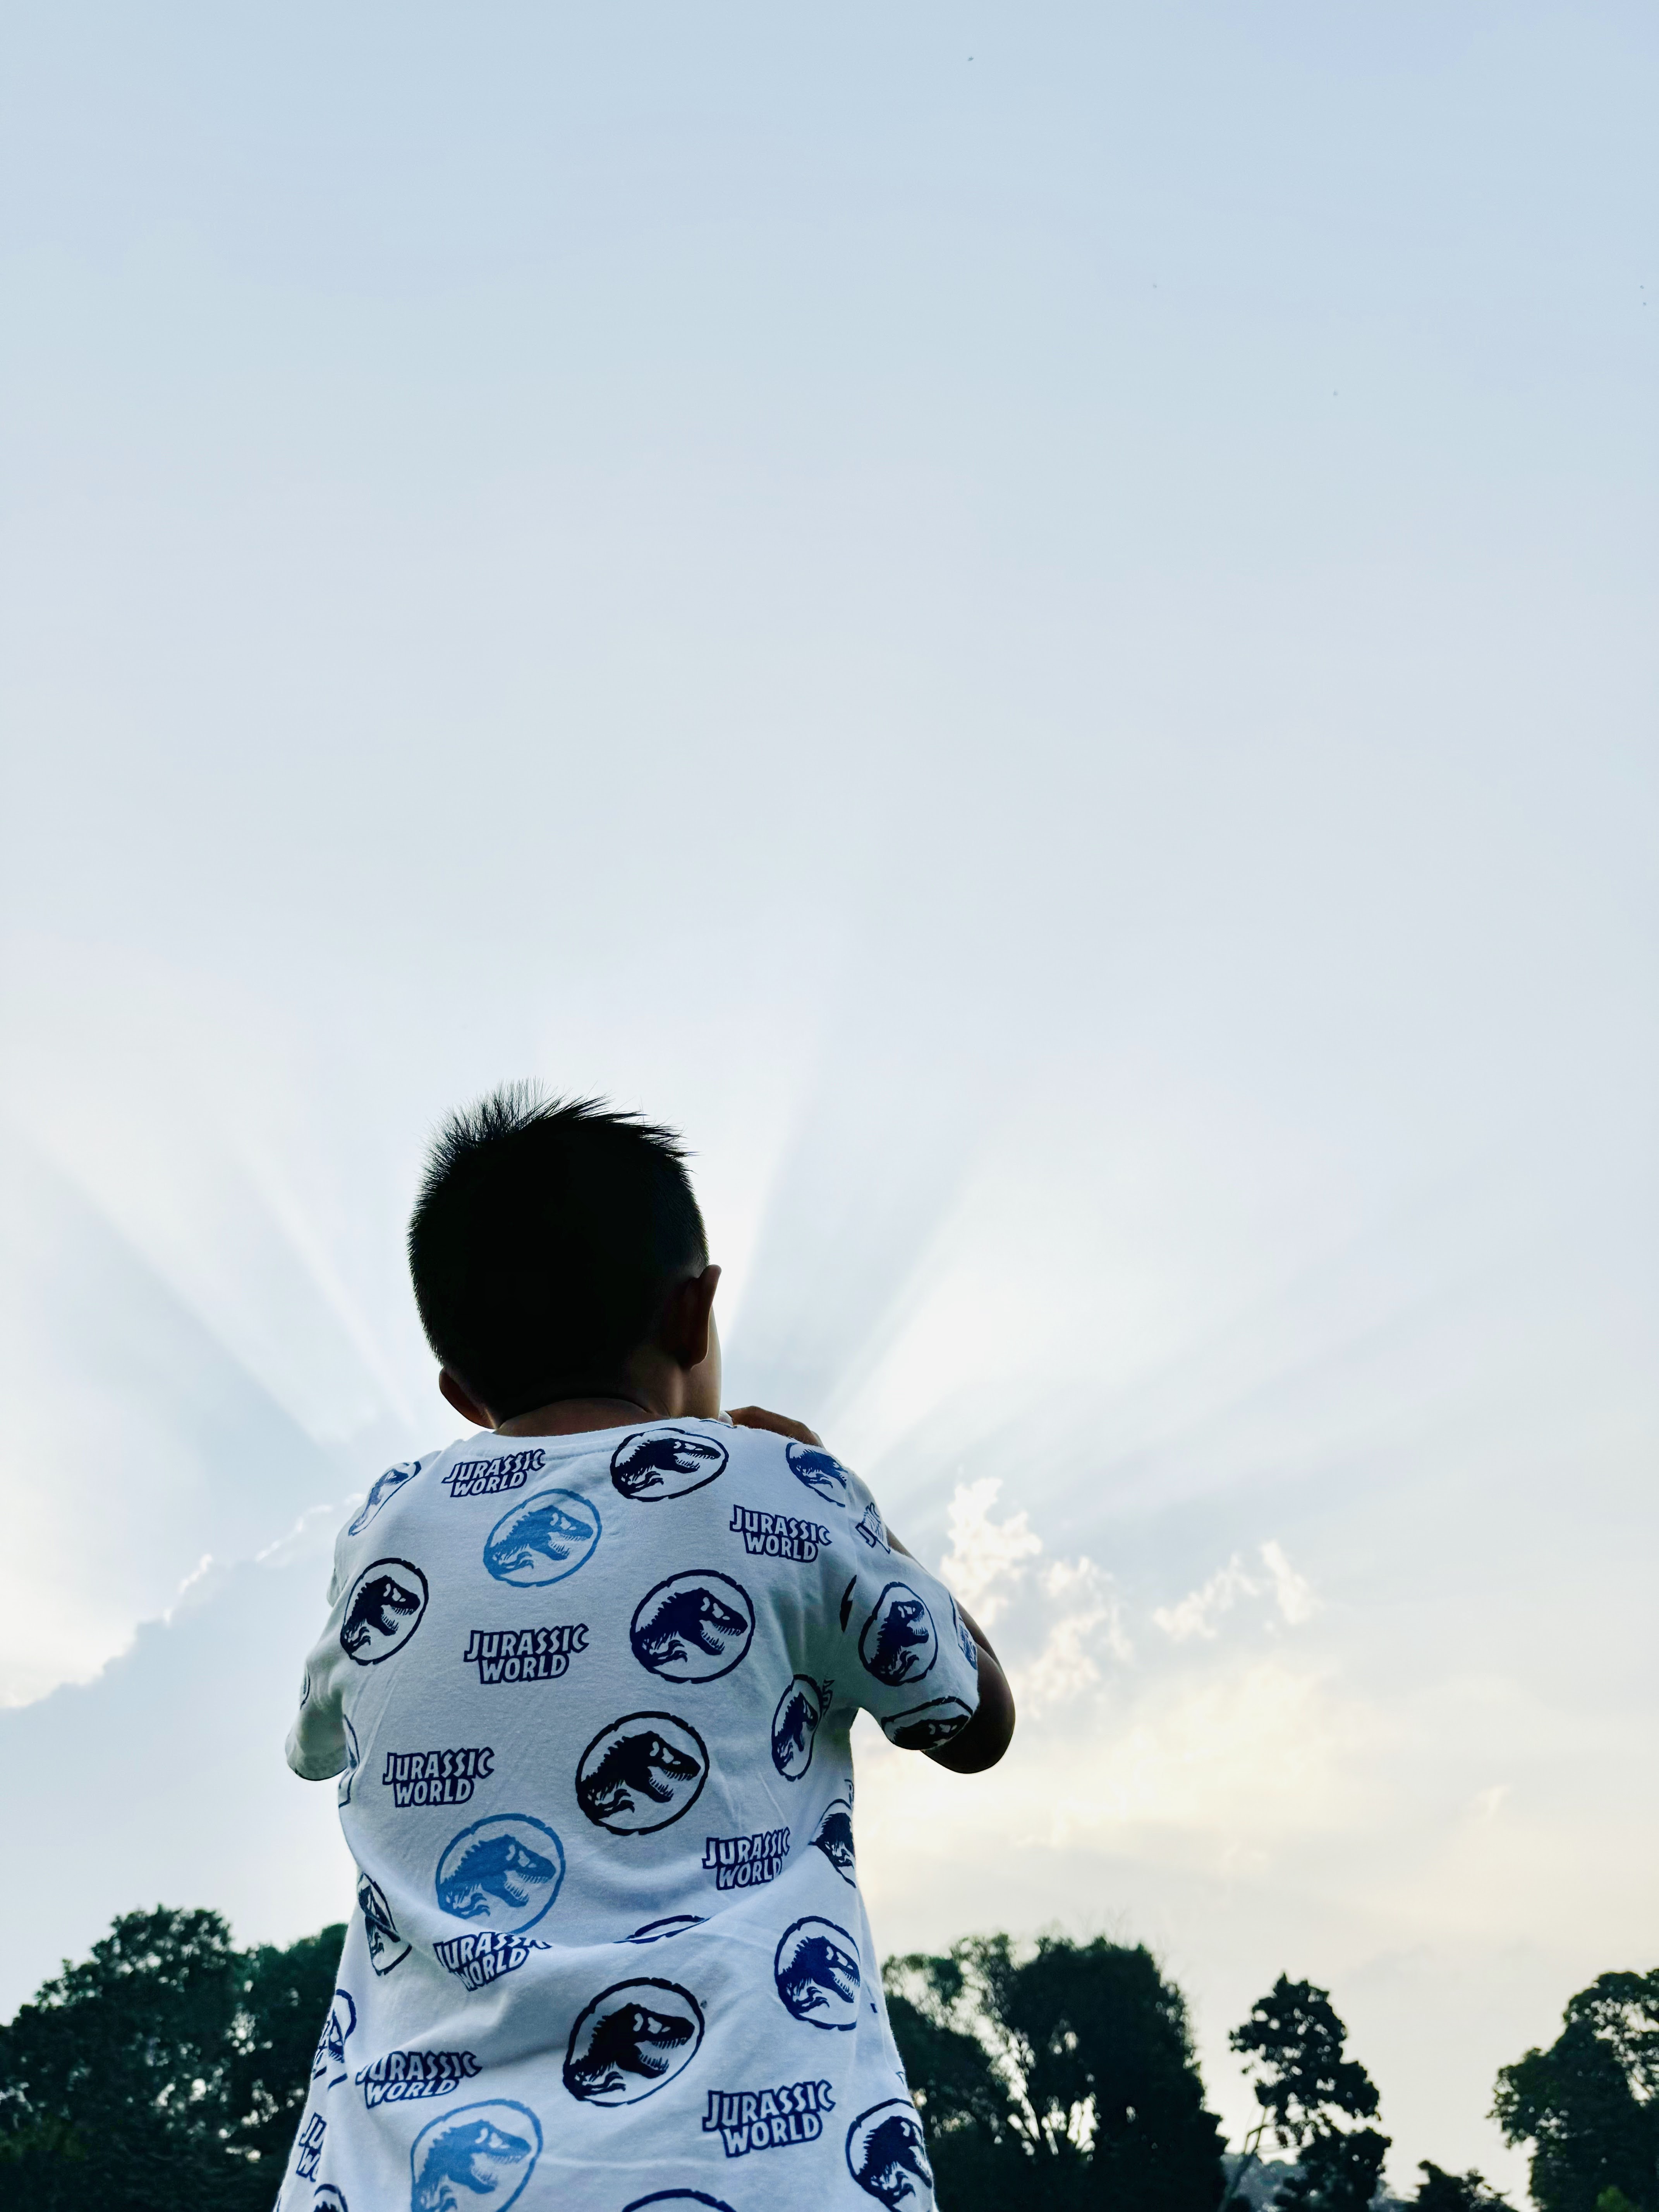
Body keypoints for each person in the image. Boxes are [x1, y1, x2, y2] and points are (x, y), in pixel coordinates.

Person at [278, 1087, 1015, 2212]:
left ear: (461, 1394)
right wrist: (866, 1523)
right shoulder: (784, 1487)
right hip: (760, 2175)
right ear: (694, 1314)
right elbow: (972, 1722)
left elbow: (315, 1748)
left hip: (403, 2178)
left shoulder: (388, 1525)